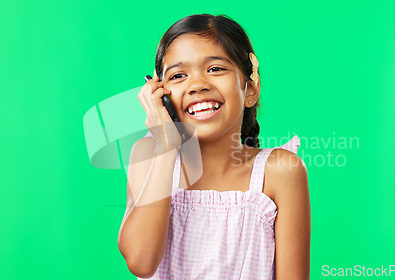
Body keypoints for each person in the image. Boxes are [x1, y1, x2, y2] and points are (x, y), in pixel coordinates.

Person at [117, 14, 310, 280]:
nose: (198, 85)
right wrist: (166, 142)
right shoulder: (149, 155)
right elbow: (141, 261)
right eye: (179, 75)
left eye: (215, 69)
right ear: (159, 94)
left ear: (250, 89)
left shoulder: (279, 171)